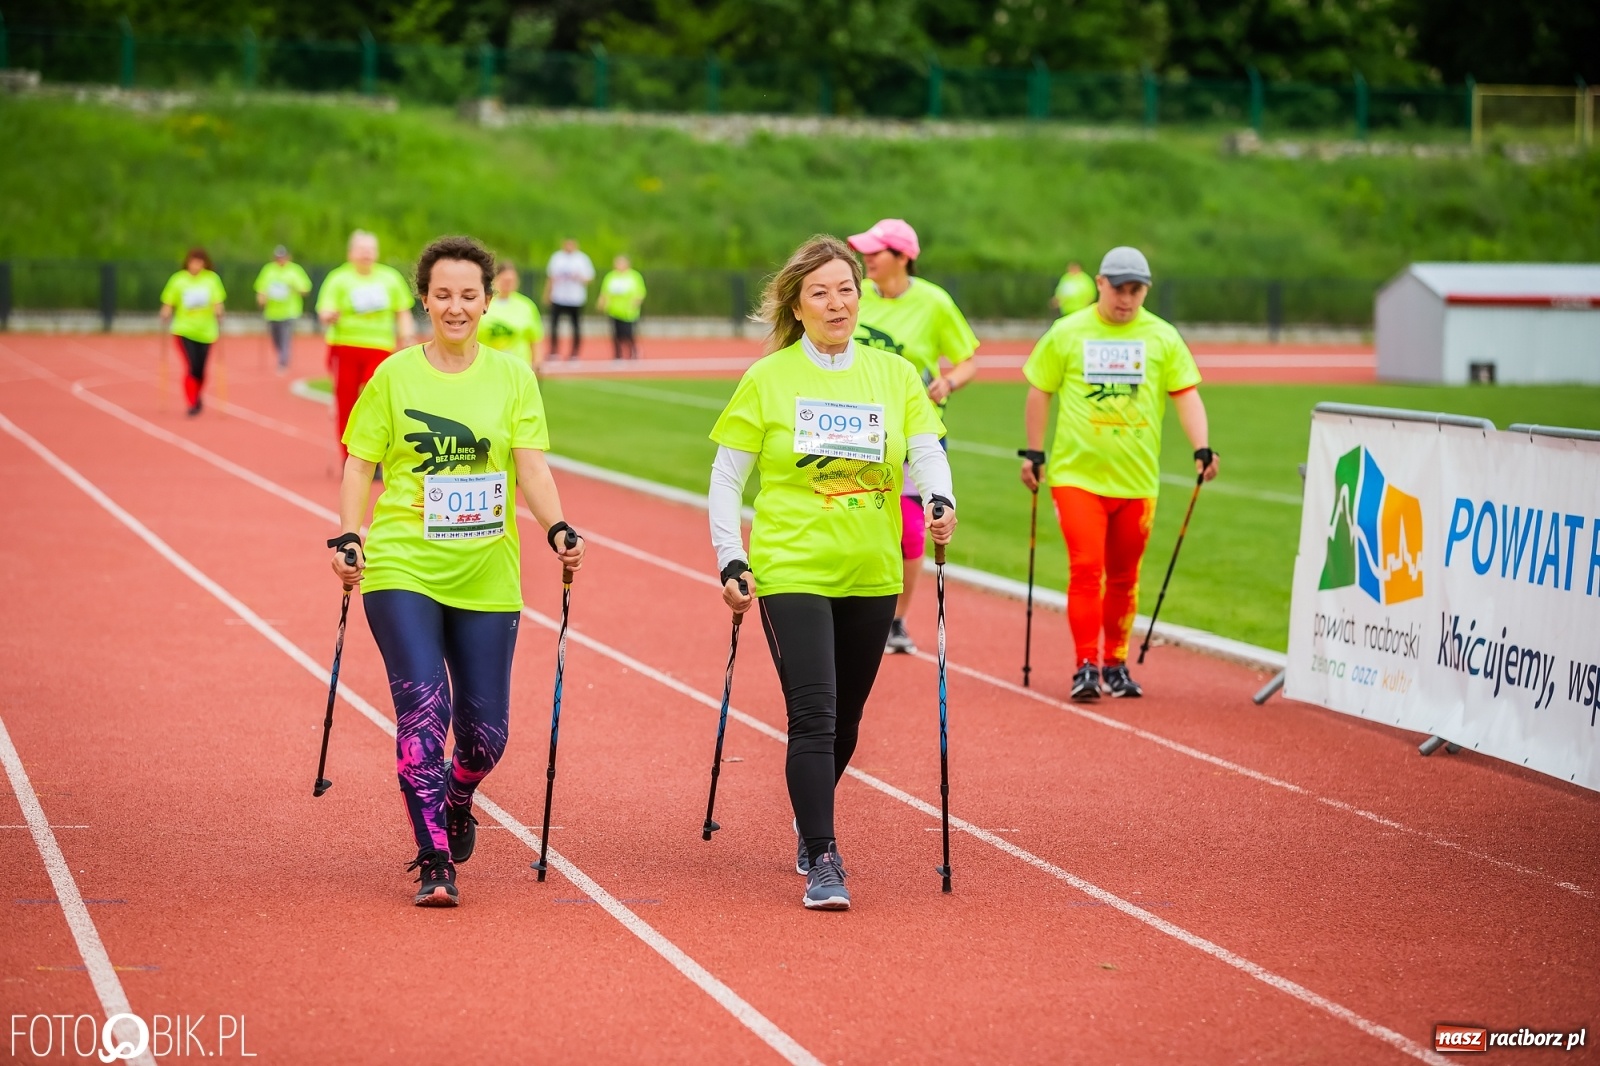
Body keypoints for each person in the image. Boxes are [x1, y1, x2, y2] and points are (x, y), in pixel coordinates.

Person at [330, 235, 586, 907]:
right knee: (423, 712)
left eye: (468, 295)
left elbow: (530, 464)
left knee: (484, 735)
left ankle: (458, 795)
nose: (455, 306)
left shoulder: (512, 377)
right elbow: (361, 461)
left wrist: (556, 525)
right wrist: (350, 534)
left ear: (486, 300)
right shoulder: (393, 376)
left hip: (487, 570)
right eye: (442, 294)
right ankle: (434, 857)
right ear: (423, 299)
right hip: (403, 564)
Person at [708, 235, 956, 911]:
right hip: (791, 566)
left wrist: (941, 497)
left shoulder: (894, 375)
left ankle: (808, 812)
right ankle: (823, 854)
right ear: (797, 303)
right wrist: (730, 554)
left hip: (871, 569)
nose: (836, 302)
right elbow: (728, 477)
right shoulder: (769, 378)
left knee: (846, 719)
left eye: (846, 289)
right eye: (819, 292)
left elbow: (927, 450)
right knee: (813, 714)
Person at [1019, 246, 1219, 702]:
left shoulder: (1163, 337)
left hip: (1138, 481)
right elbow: (1039, 389)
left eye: (1137, 290)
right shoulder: (1067, 332)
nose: (1127, 299)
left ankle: (1116, 664)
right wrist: (1034, 452)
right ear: (1100, 283)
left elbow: (1185, 393)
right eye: (1119, 288)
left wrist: (1202, 447)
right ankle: (1086, 664)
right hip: (1077, 477)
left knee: (1125, 577)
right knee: (1087, 570)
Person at [847, 218, 978, 655]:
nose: (866, 260)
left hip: (915, 430)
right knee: (853, 516)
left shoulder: (934, 303)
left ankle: (896, 621)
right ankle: (852, 609)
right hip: (857, 429)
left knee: (911, 533)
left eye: (875, 252)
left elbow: (967, 360)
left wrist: (950, 383)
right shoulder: (855, 297)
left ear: (903, 257)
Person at [317, 231, 415, 456]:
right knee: (347, 402)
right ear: (350, 253)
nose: (366, 254)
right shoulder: (338, 278)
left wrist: (407, 337)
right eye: (362, 250)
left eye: (371, 250)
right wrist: (328, 315)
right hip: (345, 345)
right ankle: (349, 454)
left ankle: (377, 453)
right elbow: (324, 309)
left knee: (376, 399)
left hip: (379, 347)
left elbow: (402, 312)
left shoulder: (389, 278)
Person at [158, 247, 227, 416]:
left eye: (199, 262)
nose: (196, 265)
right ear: (187, 263)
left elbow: (218, 300)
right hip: (184, 330)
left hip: (206, 332)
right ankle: (192, 402)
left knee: (201, 370)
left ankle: (197, 394)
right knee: (191, 366)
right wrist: (166, 311)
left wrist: (219, 312)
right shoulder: (178, 280)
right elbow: (169, 300)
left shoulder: (211, 279)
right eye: (193, 262)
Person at [254, 245, 312, 375]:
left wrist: (293, 287)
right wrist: (261, 298)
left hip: (290, 311)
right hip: (272, 312)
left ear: (288, 257)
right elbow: (260, 288)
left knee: (285, 336)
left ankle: (283, 361)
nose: (280, 260)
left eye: (282, 257)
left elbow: (306, 288)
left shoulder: (295, 270)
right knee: (276, 338)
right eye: (278, 258)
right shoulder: (268, 270)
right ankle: (282, 355)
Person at [477, 261, 545, 370]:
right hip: (488, 367)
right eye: (505, 281)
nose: (508, 284)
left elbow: (535, 338)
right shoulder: (483, 304)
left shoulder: (526, 306)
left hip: (518, 368)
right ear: (495, 280)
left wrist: (537, 364)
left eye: (511, 281)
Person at [543, 238, 594, 360]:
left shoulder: (582, 259)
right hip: (558, 296)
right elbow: (551, 277)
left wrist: (579, 277)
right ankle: (554, 351)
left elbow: (589, 278)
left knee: (575, 326)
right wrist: (547, 293)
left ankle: (574, 352)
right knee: (554, 325)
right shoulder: (557, 258)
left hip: (575, 298)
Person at [596, 255, 647, 360]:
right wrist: (601, 303)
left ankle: (633, 350)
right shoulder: (611, 276)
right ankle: (618, 355)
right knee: (616, 334)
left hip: (629, 312)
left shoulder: (634, 276)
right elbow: (605, 292)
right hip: (614, 310)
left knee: (627, 334)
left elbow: (640, 292)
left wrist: (635, 303)